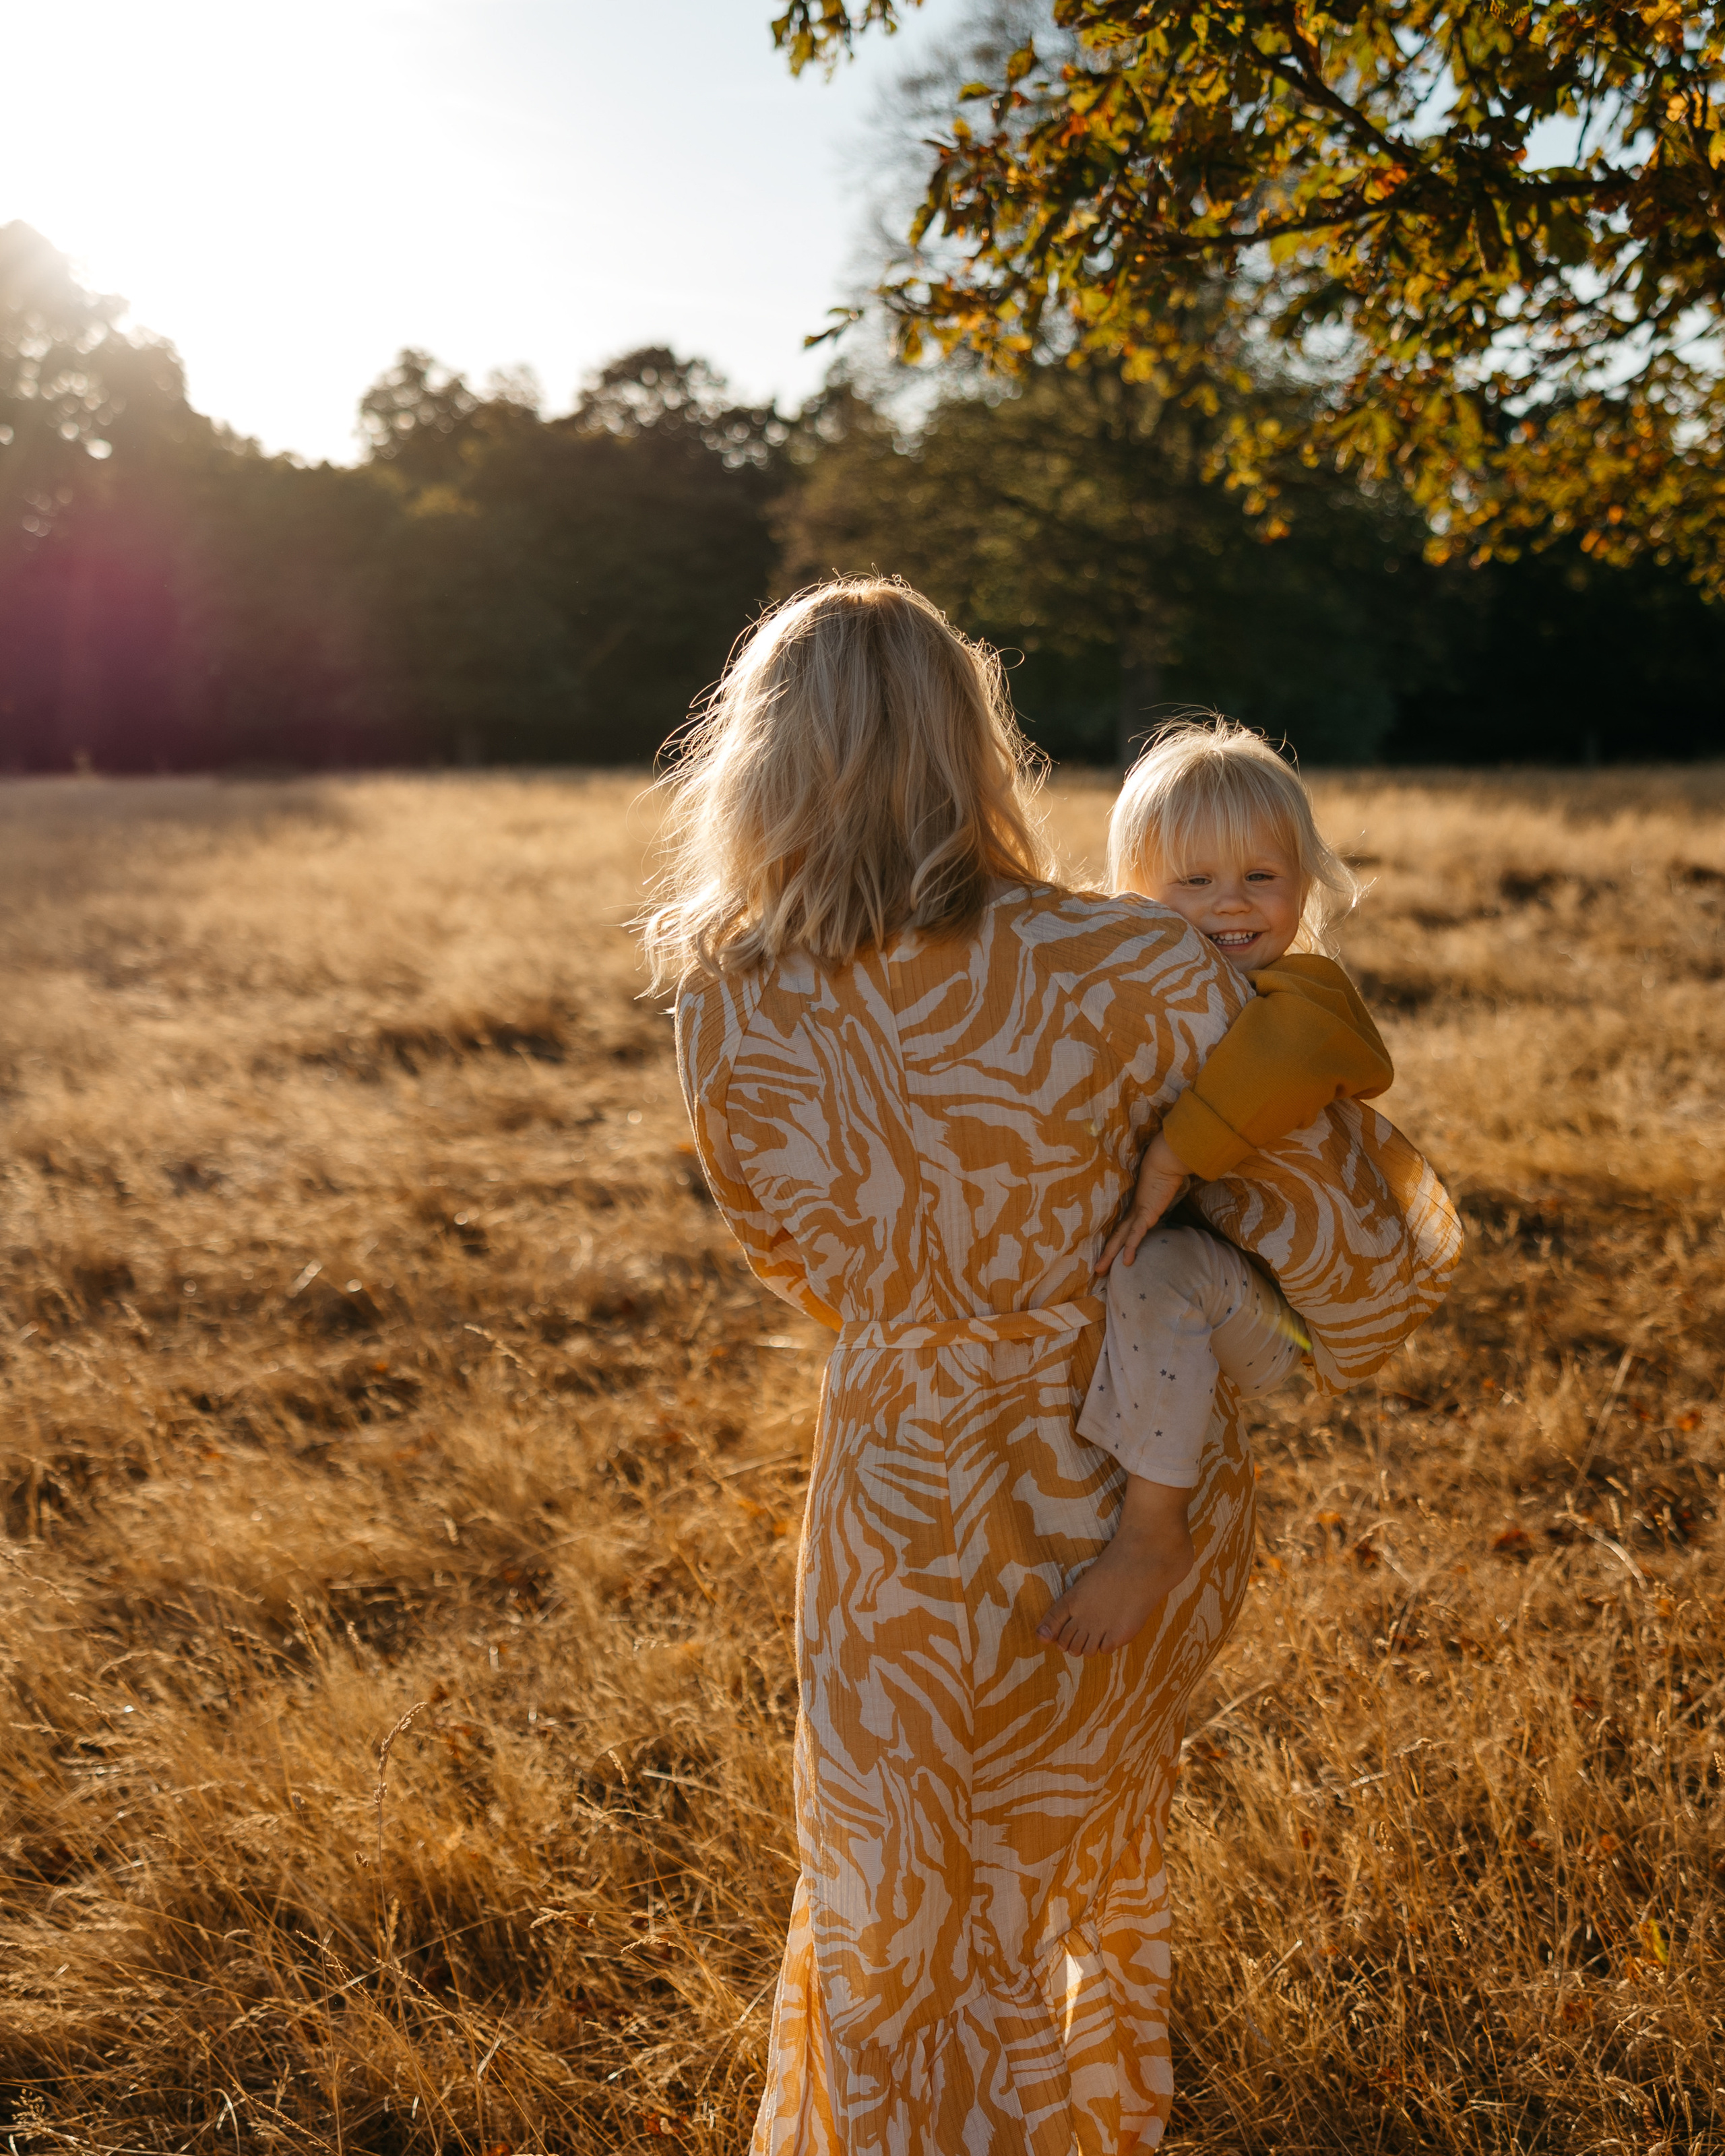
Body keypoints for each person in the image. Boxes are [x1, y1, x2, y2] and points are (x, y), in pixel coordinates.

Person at [646, 579, 1459, 2156]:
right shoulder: (1133, 961)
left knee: (890, 1861)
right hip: (1115, 1465)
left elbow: (784, 1250)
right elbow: (1352, 1254)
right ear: (973, 737)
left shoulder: (721, 995)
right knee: (1068, 1850)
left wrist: (930, 1310)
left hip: (892, 1469)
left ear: (760, 757)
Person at [1040, 720, 1399, 1655]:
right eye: (1192, 882)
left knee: (1159, 1272)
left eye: (1261, 877)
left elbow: (1301, 1058)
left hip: (1278, 1317)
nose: (1230, 905)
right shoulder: (1153, 986)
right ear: (1134, 899)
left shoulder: (1306, 997)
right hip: (1213, 1294)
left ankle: (1154, 1532)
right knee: (1132, 1268)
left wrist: (1174, 1155)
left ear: (1305, 882)